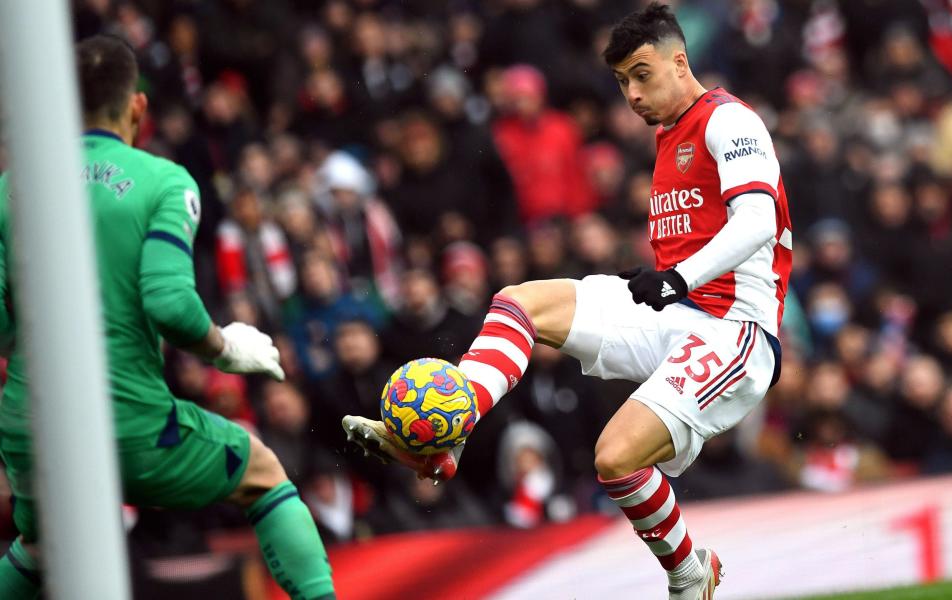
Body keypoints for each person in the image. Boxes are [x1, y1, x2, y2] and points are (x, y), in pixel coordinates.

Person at [344, 4, 792, 599]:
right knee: (519, 303)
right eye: (621, 82)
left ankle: (690, 573)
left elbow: (758, 220)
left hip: (733, 331)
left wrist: (678, 277)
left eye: (641, 74)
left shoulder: (729, 121)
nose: (631, 94)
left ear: (679, 61)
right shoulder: (667, 137)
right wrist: (667, 279)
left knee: (616, 459)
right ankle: (451, 432)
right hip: (677, 312)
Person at [0, 36, 335, 599]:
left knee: (41, 545)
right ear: (137, 108)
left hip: (29, 424)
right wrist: (225, 348)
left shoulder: (9, 190)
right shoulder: (163, 181)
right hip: (127, 420)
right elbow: (172, 306)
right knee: (260, 473)